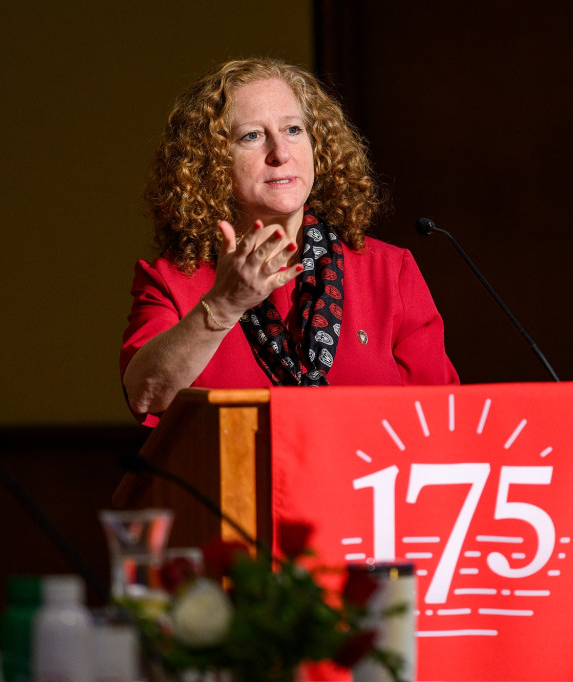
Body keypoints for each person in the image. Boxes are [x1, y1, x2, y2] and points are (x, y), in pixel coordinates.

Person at [120, 58, 458, 425]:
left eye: (293, 130)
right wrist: (222, 306)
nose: (280, 153)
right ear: (211, 162)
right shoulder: (174, 280)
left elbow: (442, 420)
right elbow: (145, 394)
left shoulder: (389, 270)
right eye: (252, 135)